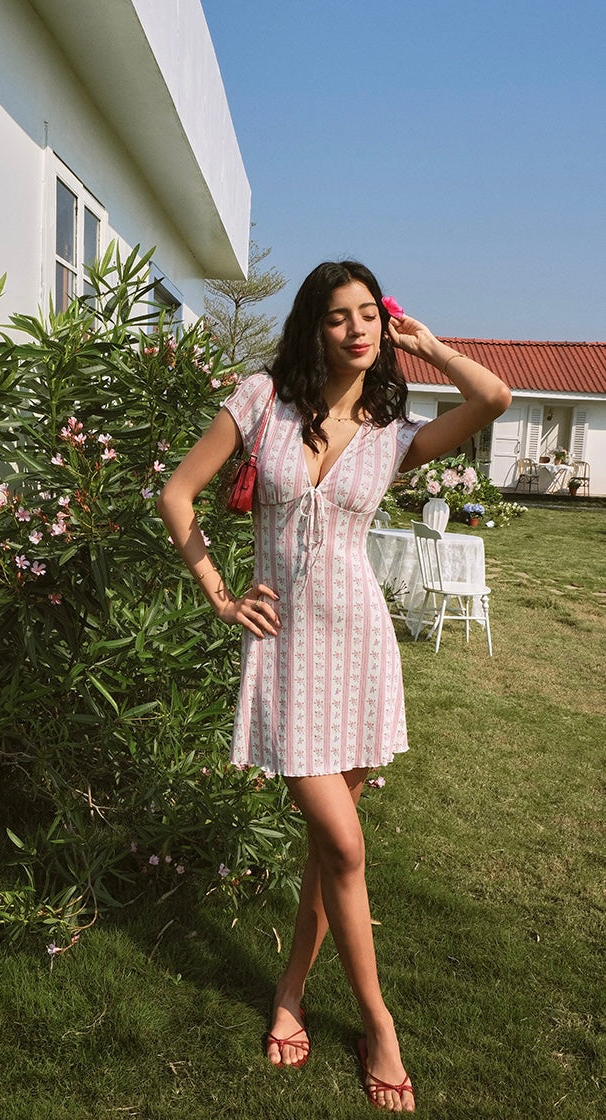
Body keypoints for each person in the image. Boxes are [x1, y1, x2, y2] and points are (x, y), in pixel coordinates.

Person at [157, 260, 511, 1111]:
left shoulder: (395, 433)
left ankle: (290, 992)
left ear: (383, 327)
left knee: (329, 848)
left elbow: (494, 398)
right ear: (313, 327)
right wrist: (219, 593)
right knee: (345, 848)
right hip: (284, 650)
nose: (355, 330)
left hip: (358, 648)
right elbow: (176, 494)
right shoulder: (260, 400)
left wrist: (428, 346)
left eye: (367, 315)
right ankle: (378, 1024)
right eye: (337, 316)